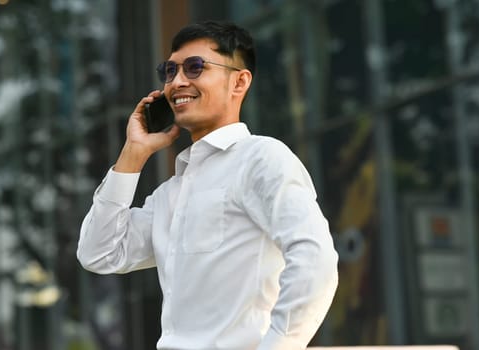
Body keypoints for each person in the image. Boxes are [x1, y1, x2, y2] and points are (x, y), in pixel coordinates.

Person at [77, 20, 338, 350]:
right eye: (170, 71)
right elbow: (99, 253)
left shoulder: (261, 158)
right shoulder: (172, 192)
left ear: (239, 82)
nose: (177, 82)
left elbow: (315, 259)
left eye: (195, 67)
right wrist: (134, 152)